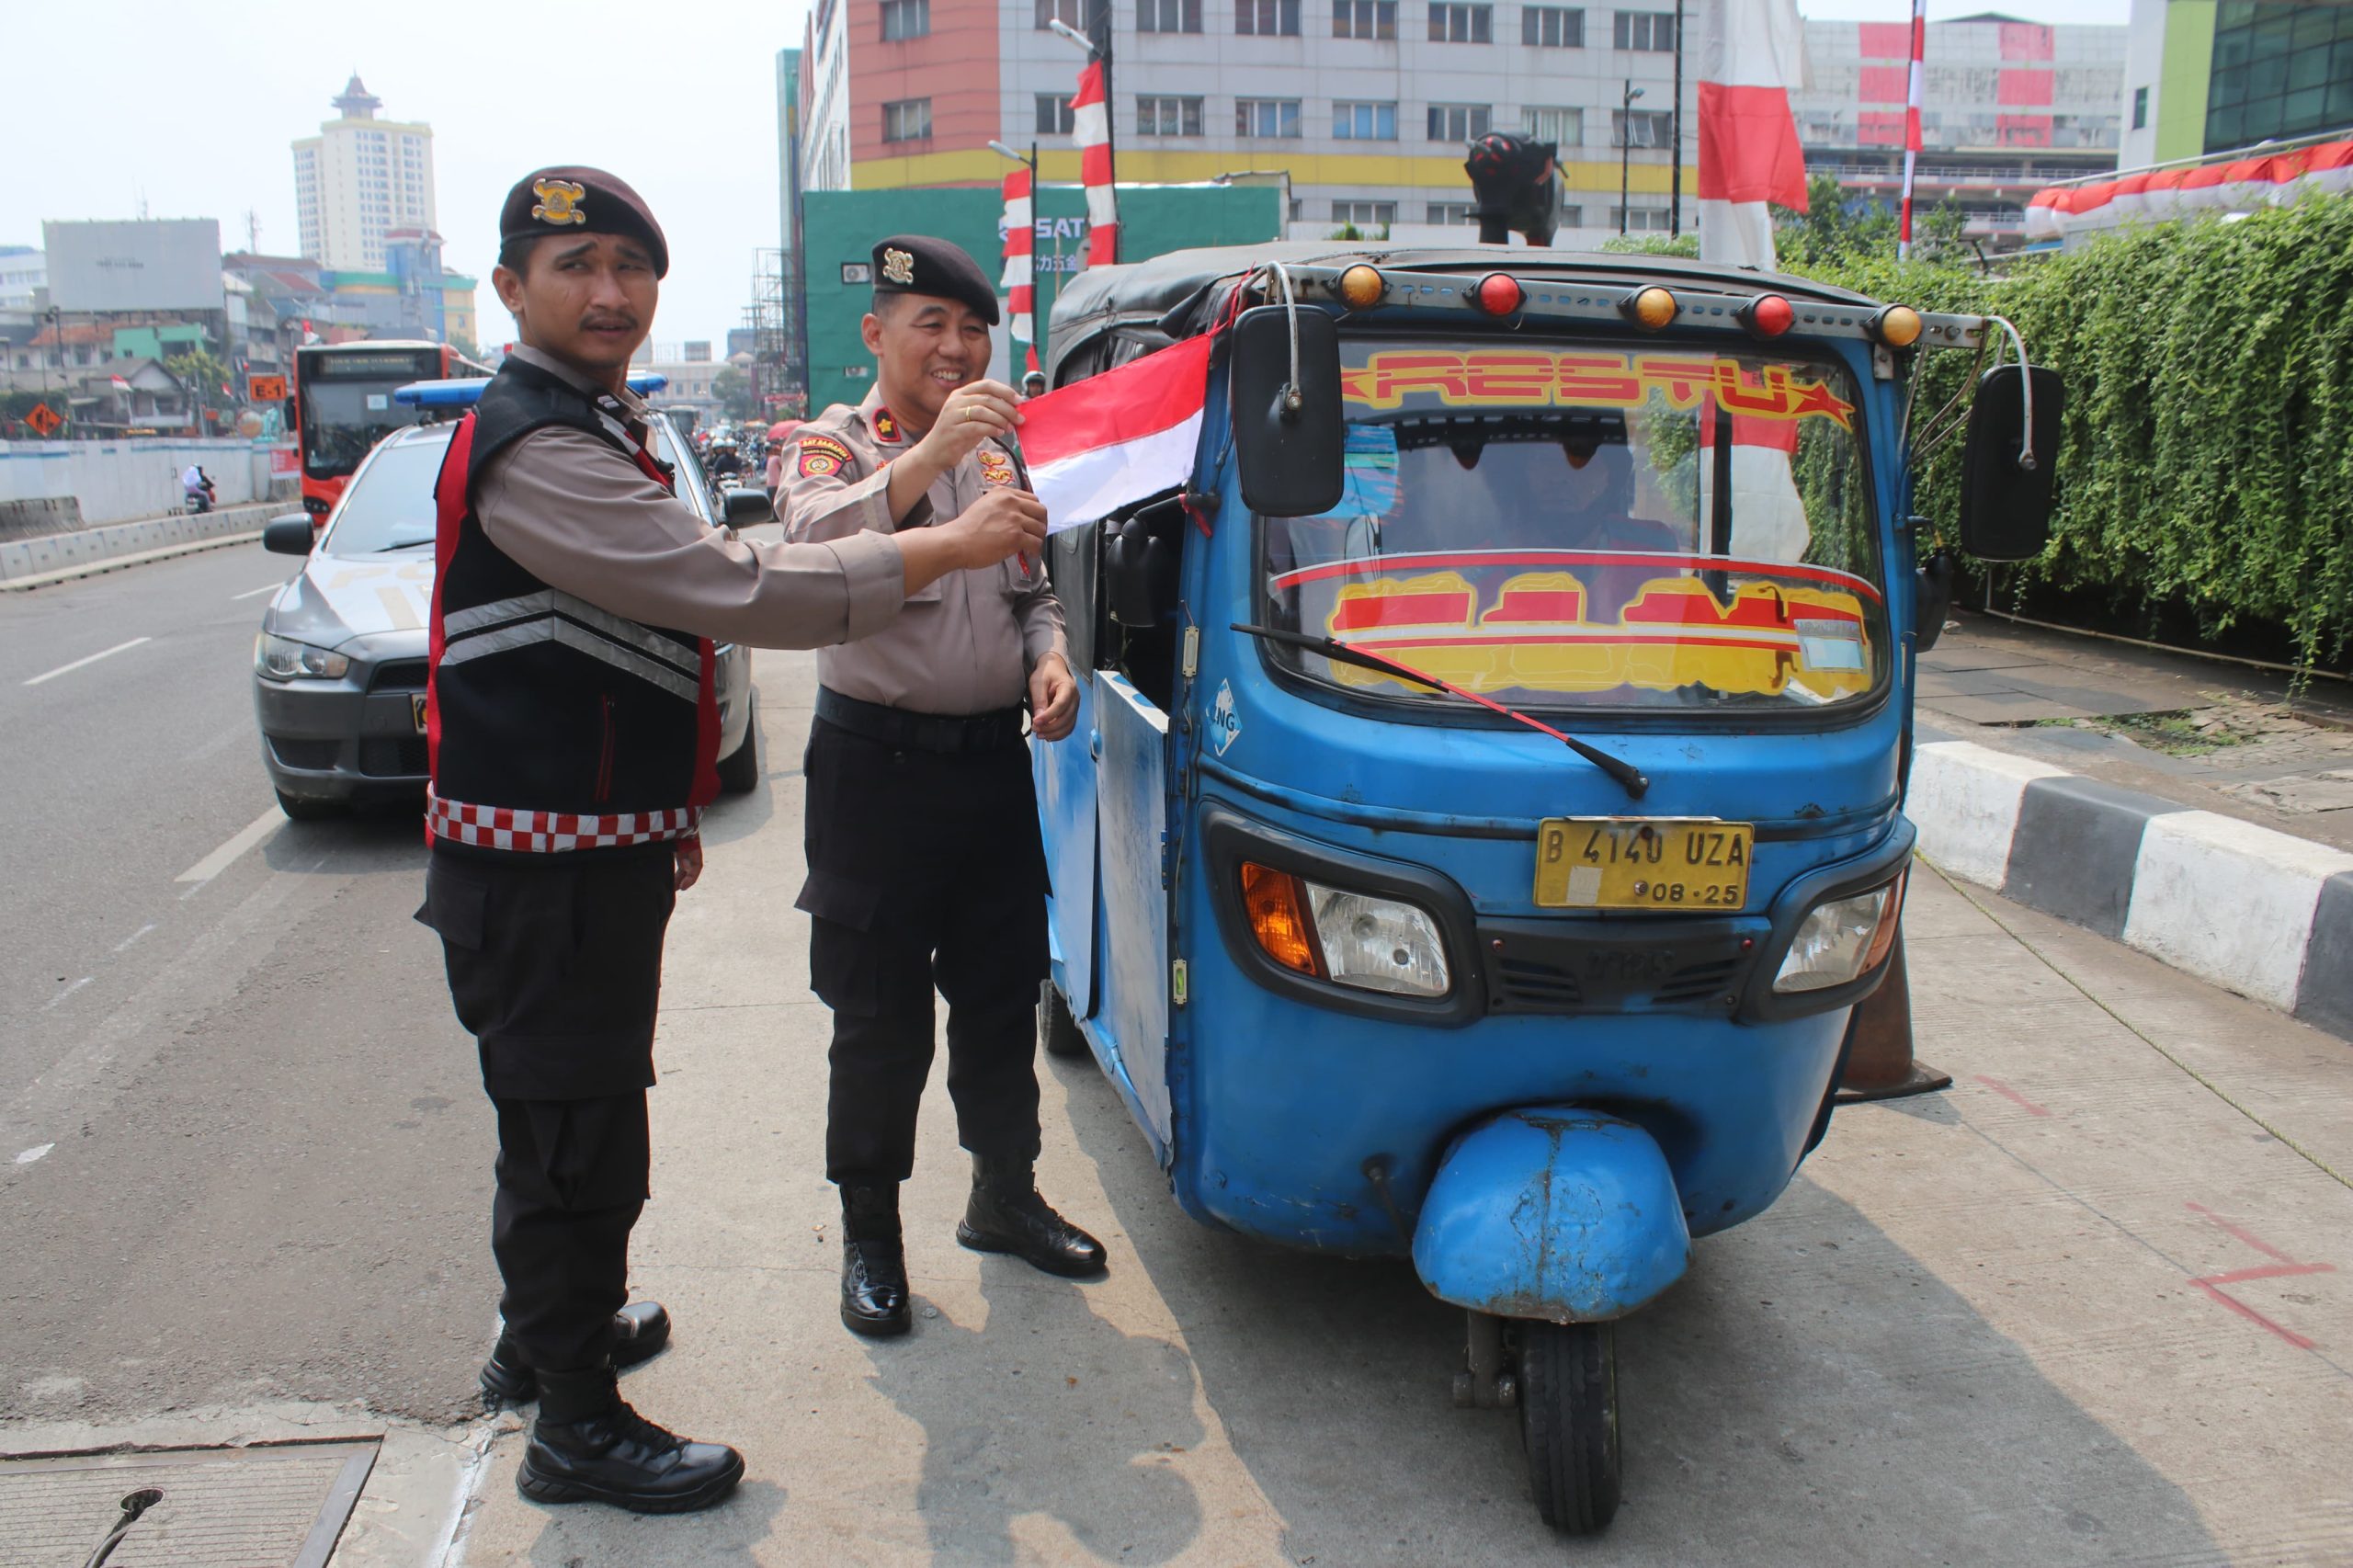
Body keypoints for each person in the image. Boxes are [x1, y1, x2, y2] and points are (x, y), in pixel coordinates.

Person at [416, 171, 1043, 1516]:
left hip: (606, 836)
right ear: (511, 288)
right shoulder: (556, 440)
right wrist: (936, 517)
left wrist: (666, 807)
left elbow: (647, 631)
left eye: (632, 268)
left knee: (582, 1112)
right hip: (568, 851)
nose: (610, 292)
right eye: (576, 264)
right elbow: (742, 582)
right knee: (589, 1123)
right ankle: (574, 1417)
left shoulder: (600, 423)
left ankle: (552, 1338)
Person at [778, 235, 1106, 1342]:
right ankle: (872, 1236)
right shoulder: (835, 445)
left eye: (974, 330)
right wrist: (927, 470)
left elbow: (1029, 589)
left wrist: (1047, 657)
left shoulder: (997, 454)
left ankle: (1002, 1196)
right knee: (877, 1018)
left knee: (1000, 993)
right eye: (933, 327)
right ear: (878, 335)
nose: (958, 349)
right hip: (874, 770)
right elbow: (813, 545)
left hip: (987, 768)